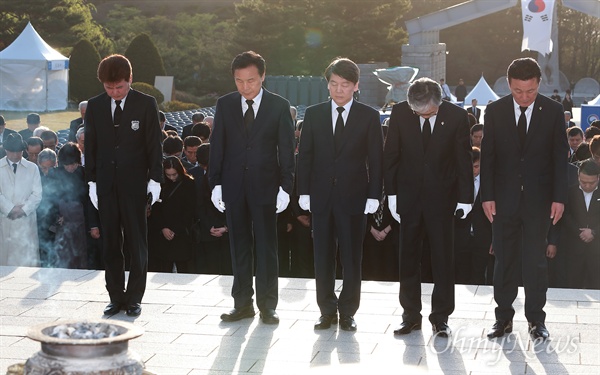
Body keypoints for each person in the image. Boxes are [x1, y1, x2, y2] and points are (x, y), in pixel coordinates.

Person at [480, 57, 568, 341]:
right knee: (503, 261)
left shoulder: (554, 111)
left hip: (538, 201)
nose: (524, 97)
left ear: (538, 84)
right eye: (518, 91)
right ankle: (503, 318)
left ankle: (536, 320)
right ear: (509, 85)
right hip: (502, 202)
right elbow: (489, 156)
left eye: (530, 91)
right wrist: (487, 196)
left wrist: (559, 198)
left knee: (535, 263)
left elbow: (559, 157)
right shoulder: (494, 111)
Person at [297, 58, 383, 332]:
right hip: (321, 197)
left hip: (354, 197)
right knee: (322, 257)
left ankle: (347, 312)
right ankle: (326, 311)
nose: (338, 90)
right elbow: (305, 155)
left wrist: (374, 195)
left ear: (356, 86)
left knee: (351, 258)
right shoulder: (313, 113)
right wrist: (304, 191)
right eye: (333, 84)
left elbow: (376, 160)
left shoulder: (369, 116)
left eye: (345, 85)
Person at [208, 51, 295, 325]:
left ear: (263, 77)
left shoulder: (279, 106)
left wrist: (286, 186)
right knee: (239, 247)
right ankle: (242, 304)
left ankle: (268, 306)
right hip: (233, 187)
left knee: (267, 248)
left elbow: (287, 151)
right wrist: (216, 184)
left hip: (266, 187)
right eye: (239, 81)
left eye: (251, 80)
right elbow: (217, 147)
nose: (245, 87)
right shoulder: (225, 104)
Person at [384, 77, 473, 338]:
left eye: (430, 112)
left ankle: (441, 317)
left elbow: (463, 159)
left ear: (439, 102)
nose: (423, 116)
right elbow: (391, 155)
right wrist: (391, 194)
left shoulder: (457, 116)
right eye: (418, 112)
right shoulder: (400, 112)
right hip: (408, 198)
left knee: (443, 258)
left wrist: (465, 198)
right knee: (408, 257)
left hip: (442, 199)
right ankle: (410, 315)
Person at [84, 54, 163, 317]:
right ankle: (115, 297)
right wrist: (92, 181)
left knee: (136, 242)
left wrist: (155, 179)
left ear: (130, 79)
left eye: (119, 87)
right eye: (109, 87)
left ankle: (134, 298)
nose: (114, 92)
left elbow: (154, 144)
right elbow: (91, 145)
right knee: (110, 244)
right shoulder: (95, 106)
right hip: (106, 183)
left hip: (135, 183)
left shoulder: (145, 103)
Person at [0, 133, 43, 266]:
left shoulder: (32, 168)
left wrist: (23, 210)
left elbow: (37, 194)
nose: (15, 155)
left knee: (27, 260)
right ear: (6, 150)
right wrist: (10, 209)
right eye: (12, 151)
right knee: (5, 257)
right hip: (4, 219)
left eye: (18, 151)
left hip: (26, 219)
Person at [189, 143, 232, 275]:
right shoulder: (232, 177)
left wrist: (211, 227)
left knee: (210, 271)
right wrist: (225, 227)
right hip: (225, 233)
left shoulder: (196, 178)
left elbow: (198, 207)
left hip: (210, 232)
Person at [148, 156, 196, 273]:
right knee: (164, 267)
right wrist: (163, 227)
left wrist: (175, 229)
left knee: (183, 267)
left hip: (181, 232)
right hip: (163, 232)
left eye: (174, 174)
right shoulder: (160, 184)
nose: (172, 177)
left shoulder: (189, 184)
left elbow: (190, 209)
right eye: (169, 175)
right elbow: (156, 208)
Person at [453, 147, 493, 285]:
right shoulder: (458, 182)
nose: (473, 170)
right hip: (460, 237)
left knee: (479, 274)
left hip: (482, 237)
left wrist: (495, 239)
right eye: (471, 167)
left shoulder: (490, 183)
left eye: (476, 166)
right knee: (460, 274)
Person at [47, 143, 88, 269]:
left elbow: (88, 200)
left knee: (82, 255)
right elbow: (49, 199)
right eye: (67, 165)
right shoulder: (54, 174)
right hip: (62, 222)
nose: (70, 167)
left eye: (73, 164)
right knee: (63, 255)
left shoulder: (84, 173)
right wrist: (56, 216)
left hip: (82, 222)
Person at [562, 160, 600, 289]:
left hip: (597, 250)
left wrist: (594, 232)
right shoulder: (570, 192)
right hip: (574, 248)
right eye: (583, 182)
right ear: (578, 177)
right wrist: (579, 232)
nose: (588, 186)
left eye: (592, 183)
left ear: (598, 178)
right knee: (573, 285)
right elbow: (565, 215)